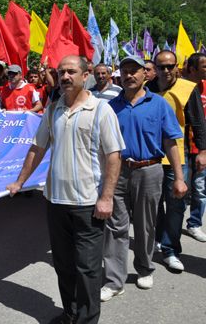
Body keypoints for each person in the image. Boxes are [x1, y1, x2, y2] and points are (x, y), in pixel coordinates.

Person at [6, 55, 124, 324]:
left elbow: (114, 156)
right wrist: (20, 182)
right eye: (61, 73)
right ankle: (70, 314)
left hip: (88, 204)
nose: (65, 77)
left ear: (86, 76)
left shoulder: (101, 110)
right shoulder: (53, 110)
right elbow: (37, 148)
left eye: (71, 71)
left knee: (88, 269)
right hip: (56, 202)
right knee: (64, 266)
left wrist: (106, 198)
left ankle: (86, 320)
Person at [101, 56, 184, 300]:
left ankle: (145, 268)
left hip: (150, 170)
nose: (129, 75)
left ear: (145, 75)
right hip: (116, 172)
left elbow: (171, 141)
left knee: (145, 224)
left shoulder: (158, 104)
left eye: (134, 71)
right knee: (115, 226)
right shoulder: (110, 106)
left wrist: (179, 177)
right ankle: (114, 280)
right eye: (124, 71)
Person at [148, 50, 206, 271]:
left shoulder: (187, 89)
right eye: (161, 66)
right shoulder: (148, 88)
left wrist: (203, 151)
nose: (165, 71)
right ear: (154, 67)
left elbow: (199, 123)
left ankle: (171, 249)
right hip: (151, 157)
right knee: (154, 204)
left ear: (177, 67)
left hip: (177, 158)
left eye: (169, 66)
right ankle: (158, 239)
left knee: (176, 204)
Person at [184, 52, 206, 242]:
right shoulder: (180, 87)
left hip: (201, 149)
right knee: (180, 191)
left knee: (199, 189)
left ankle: (194, 224)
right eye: (204, 66)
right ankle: (170, 229)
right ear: (192, 69)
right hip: (181, 148)